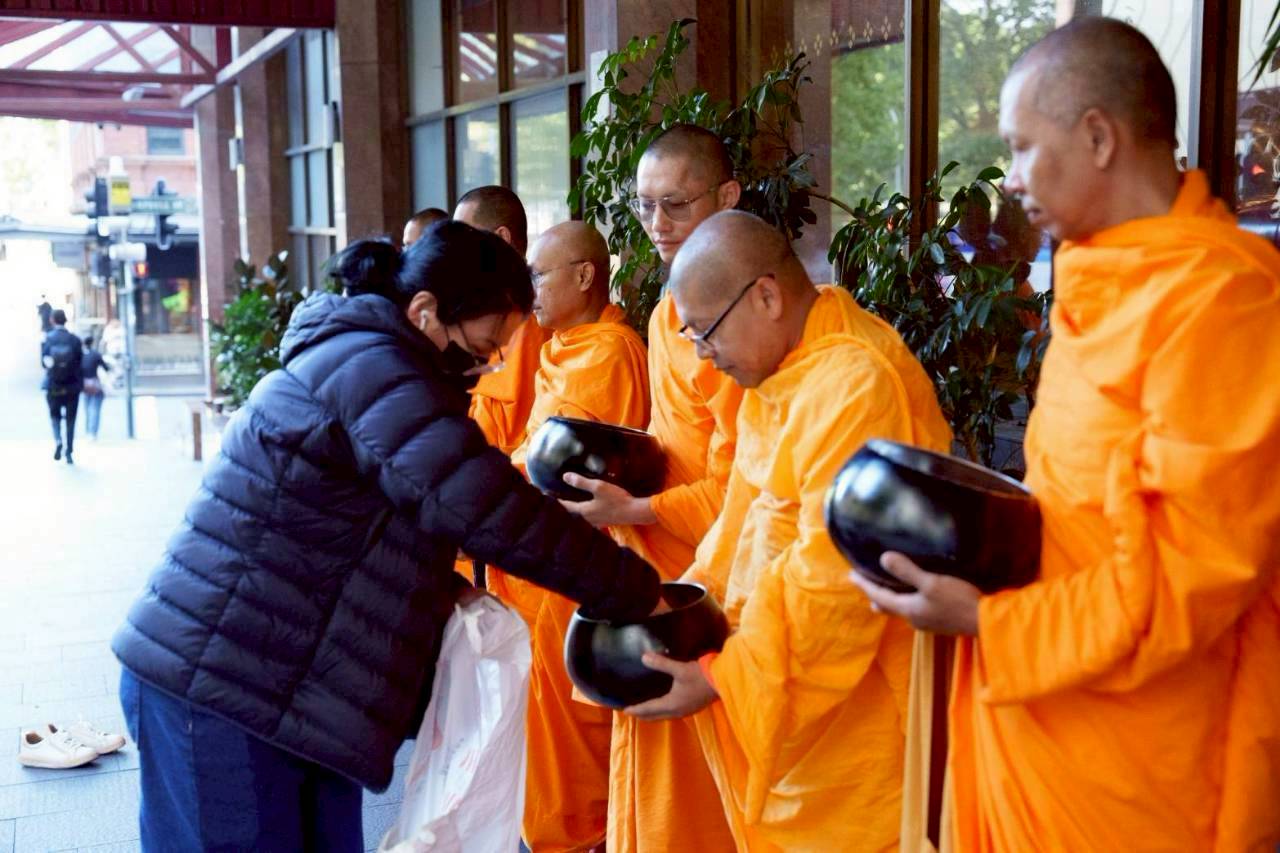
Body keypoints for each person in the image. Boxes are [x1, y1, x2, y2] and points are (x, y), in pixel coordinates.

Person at [851, 18, 1280, 852]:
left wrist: (989, 624)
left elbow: (1187, 576)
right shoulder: (1112, 276)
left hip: (1139, 762)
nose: (1008, 180)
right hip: (1049, 719)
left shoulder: (1219, 300)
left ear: (1097, 136)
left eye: (1019, 148)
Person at [110, 222, 664, 852]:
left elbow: (363, 525)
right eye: (485, 343)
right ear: (426, 312)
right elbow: (484, 507)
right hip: (219, 684)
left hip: (287, 688)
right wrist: (636, 593)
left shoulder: (379, 366)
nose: (491, 365)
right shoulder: (374, 369)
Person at [625, 211, 950, 850]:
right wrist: (680, 603)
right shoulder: (784, 367)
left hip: (853, 707)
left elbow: (834, 579)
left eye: (705, 333)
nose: (703, 357)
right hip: (774, 675)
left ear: (767, 296)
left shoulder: (854, 381)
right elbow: (740, 522)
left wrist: (728, 676)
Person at [560, 124, 743, 852]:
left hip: (717, 571)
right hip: (661, 552)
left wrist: (634, 506)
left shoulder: (738, 317)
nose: (657, 226)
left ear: (727, 197)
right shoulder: (670, 311)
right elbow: (678, 438)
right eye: (643, 207)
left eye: (675, 204)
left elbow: (744, 481)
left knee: (704, 783)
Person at [483, 221, 650, 851]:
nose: (530, 292)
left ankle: (582, 836)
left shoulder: (609, 348)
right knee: (541, 718)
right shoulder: (559, 346)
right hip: (534, 554)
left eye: (538, 276)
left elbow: (569, 465)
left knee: (572, 720)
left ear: (584, 276)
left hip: (572, 557)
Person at [453, 185, 552, 456]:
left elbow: (504, 423)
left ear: (502, 239)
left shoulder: (527, 315)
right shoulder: (487, 308)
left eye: (465, 238)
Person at [41, 309, 83, 464]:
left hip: (53, 385)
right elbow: (80, 363)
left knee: (55, 416)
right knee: (71, 419)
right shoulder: (74, 340)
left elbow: (44, 362)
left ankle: (58, 440)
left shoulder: (48, 339)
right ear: (66, 320)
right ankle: (69, 451)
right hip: (72, 386)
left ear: (52, 320)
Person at [80, 336, 110, 440]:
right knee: (95, 408)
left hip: (84, 384)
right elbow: (106, 368)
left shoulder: (80, 355)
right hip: (94, 382)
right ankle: (93, 432)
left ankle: (88, 430)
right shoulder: (96, 355)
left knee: (87, 408)